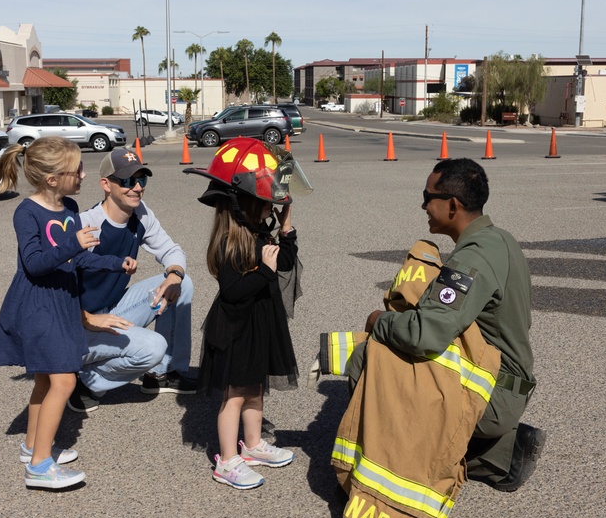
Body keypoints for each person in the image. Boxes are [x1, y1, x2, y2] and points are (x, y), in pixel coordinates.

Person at [348, 158, 544, 491]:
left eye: (428, 196)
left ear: (453, 205)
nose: (423, 205)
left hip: (493, 393)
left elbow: (426, 335)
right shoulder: (500, 239)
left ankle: (395, 464)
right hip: (506, 383)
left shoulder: (471, 258)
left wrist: (379, 321)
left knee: (367, 358)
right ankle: (500, 454)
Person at [0, 137, 136, 489]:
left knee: (44, 380)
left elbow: (78, 257)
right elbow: (35, 264)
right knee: (64, 380)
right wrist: (72, 244)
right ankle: (39, 468)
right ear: (52, 178)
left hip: (63, 301)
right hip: (38, 305)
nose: (83, 173)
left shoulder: (68, 207)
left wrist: (115, 263)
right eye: (77, 169)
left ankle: (35, 446)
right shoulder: (27, 212)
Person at [186, 138, 310, 490]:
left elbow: (284, 262)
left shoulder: (258, 229)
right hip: (236, 327)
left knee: (255, 387)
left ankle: (252, 444)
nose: (270, 205)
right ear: (244, 203)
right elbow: (232, 291)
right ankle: (226, 460)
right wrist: (264, 274)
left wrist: (286, 226)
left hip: (259, 322)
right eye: (266, 201)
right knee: (234, 394)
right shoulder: (231, 241)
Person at [75, 147, 195, 412]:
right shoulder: (88, 224)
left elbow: (171, 250)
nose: (137, 188)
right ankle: (83, 379)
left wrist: (174, 274)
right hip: (77, 324)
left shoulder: (141, 214)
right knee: (153, 347)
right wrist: (88, 318)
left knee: (181, 283)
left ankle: (162, 374)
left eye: (142, 180)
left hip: (114, 310)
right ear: (106, 184)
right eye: (128, 181)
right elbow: (57, 288)